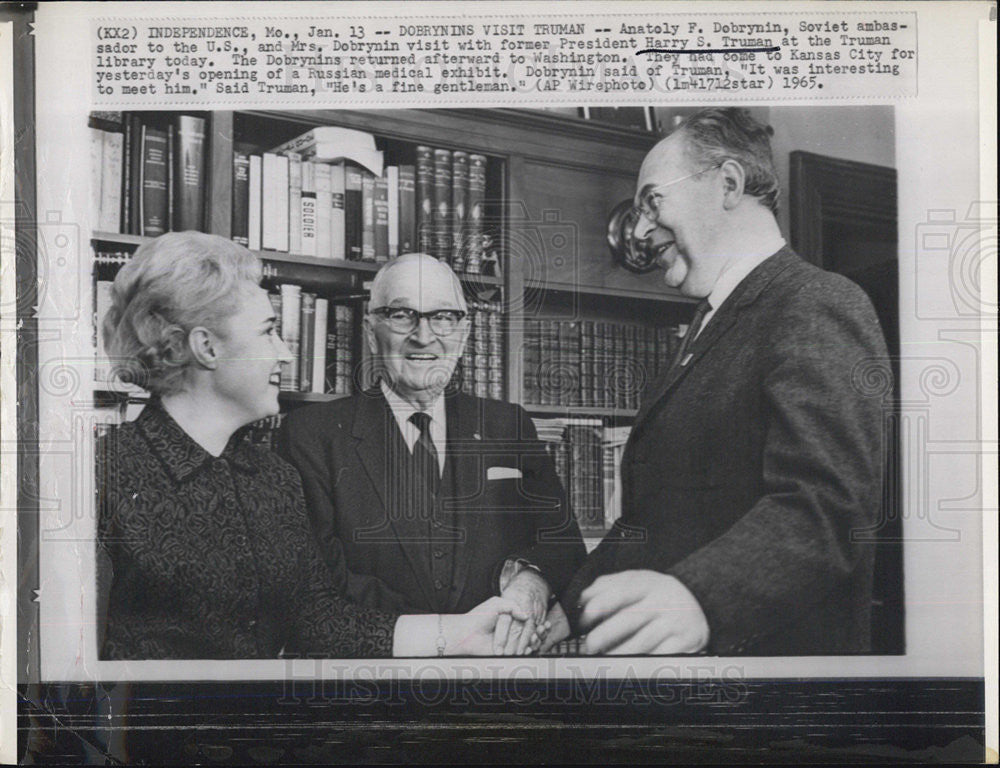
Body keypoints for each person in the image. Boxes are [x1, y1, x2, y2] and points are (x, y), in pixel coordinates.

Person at [96, 232, 530, 659]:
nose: (285, 354)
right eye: (268, 332)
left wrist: (460, 635)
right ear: (205, 347)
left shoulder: (271, 479)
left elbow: (320, 621)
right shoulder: (99, 478)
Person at [558, 108, 890, 656]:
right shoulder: (706, 326)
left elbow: (827, 508)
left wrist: (701, 599)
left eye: (652, 203)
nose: (640, 231)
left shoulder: (817, 302)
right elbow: (650, 520)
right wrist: (565, 611)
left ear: (728, 184)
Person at [278, 253, 587, 655]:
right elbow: (314, 588)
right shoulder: (310, 435)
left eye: (443, 316)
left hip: (497, 691)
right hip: (368, 690)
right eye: (403, 315)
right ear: (373, 331)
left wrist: (534, 579)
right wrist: (448, 635)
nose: (424, 336)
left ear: (464, 331)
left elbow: (564, 545)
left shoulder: (508, 426)